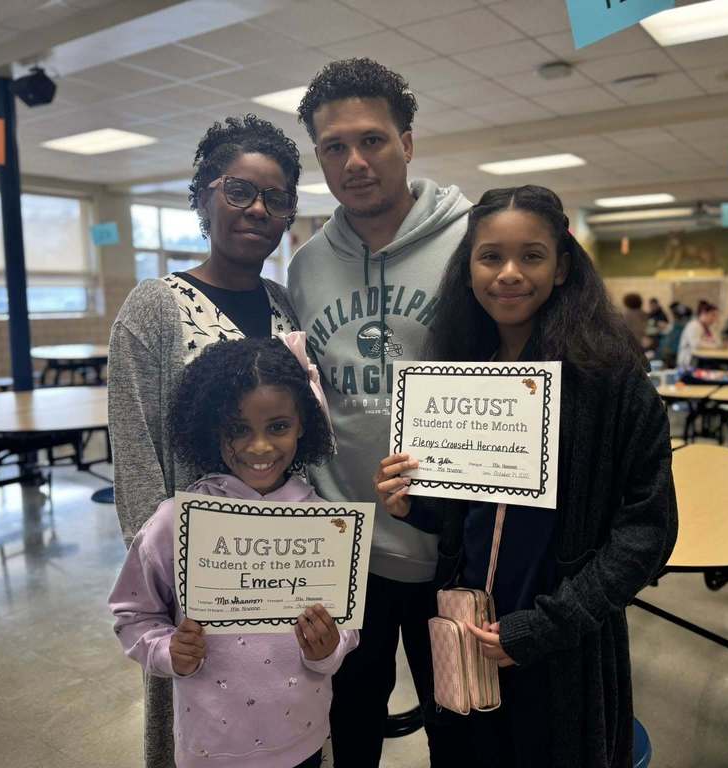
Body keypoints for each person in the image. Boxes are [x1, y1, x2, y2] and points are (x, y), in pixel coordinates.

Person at [374, 186, 677, 767]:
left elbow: (648, 532)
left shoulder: (613, 385)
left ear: (562, 268)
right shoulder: (456, 375)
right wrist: (416, 502)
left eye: (531, 256)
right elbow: (476, 514)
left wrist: (544, 627)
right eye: (490, 257)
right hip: (465, 631)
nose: (509, 274)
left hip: (562, 641)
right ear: (467, 270)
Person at [289, 58, 472, 766]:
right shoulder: (305, 266)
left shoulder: (469, 244)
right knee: (351, 723)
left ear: (409, 143)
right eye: (334, 147)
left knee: (460, 720)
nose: (354, 161)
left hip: (453, 555)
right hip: (346, 553)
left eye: (373, 140)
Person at [108, 115, 301, 768]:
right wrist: (163, 585)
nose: (258, 209)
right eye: (239, 190)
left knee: (284, 717)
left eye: (276, 198)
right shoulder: (154, 307)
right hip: (198, 579)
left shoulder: (284, 305)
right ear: (202, 196)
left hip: (282, 563)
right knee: (199, 731)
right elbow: (134, 450)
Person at [110, 336, 356, 768]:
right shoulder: (176, 523)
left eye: (278, 426)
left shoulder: (324, 524)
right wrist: (169, 651)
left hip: (304, 739)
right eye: (238, 429)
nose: (259, 447)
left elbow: (347, 626)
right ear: (212, 429)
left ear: (304, 424)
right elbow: (133, 615)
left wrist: (328, 648)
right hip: (209, 747)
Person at [677, 300, 721, 368]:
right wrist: (715, 346)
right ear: (704, 313)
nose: (714, 319)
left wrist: (716, 345)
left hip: (706, 359)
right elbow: (696, 344)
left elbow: (718, 342)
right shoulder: (693, 325)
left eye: (716, 316)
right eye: (713, 315)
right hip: (690, 361)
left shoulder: (709, 327)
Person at [657, 303, 691, 369]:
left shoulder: (678, 326)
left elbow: (669, 344)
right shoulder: (684, 324)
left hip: (673, 354)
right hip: (674, 353)